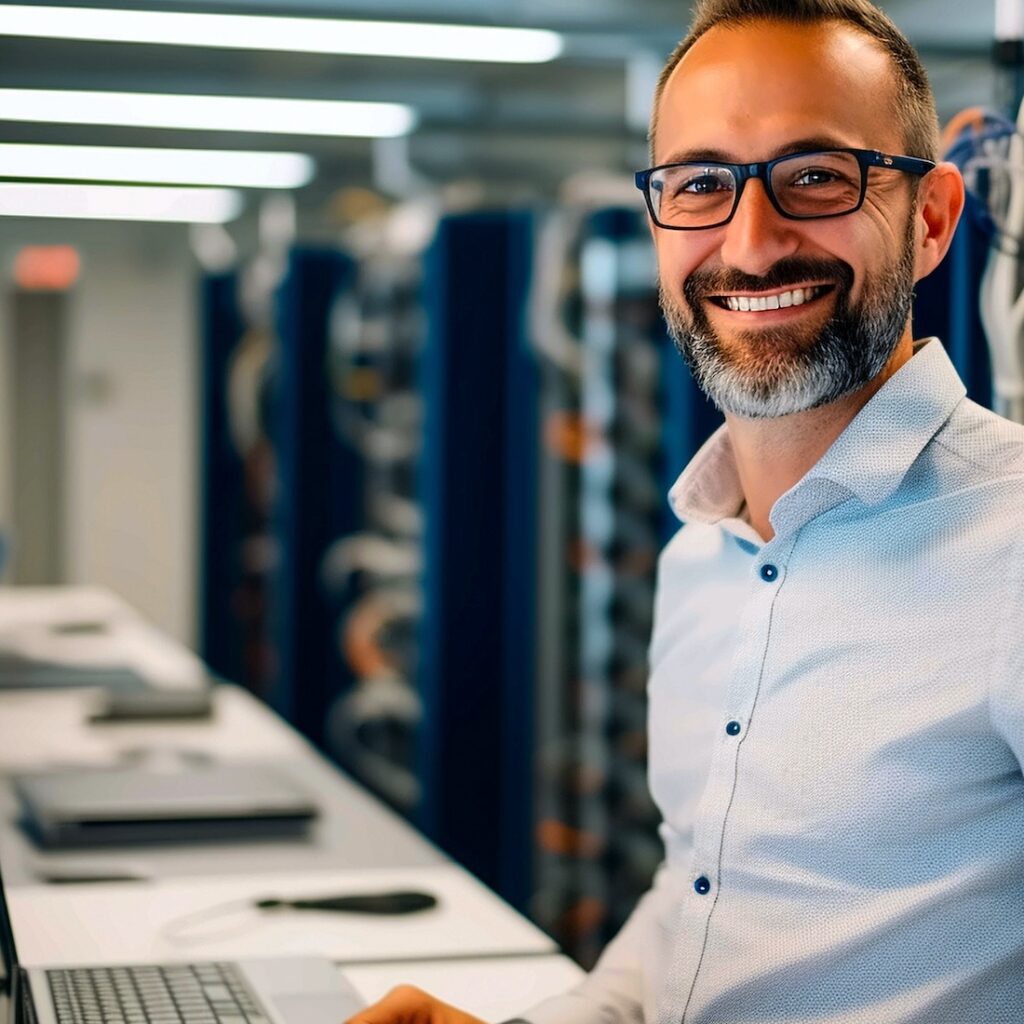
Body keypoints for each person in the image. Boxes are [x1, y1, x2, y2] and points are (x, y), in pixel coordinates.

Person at [347, 0, 1024, 1020]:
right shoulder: (700, 554)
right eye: (701, 183)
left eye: (815, 176)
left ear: (930, 219)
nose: (751, 246)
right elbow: (693, 905)